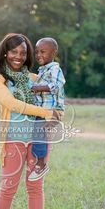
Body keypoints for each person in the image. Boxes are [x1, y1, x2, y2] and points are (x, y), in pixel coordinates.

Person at [0, 33, 55, 209]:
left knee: (35, 186)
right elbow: (12, 104)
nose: (18, 56)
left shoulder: (34, 79)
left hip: (38, 138)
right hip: (14, 139)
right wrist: (46, 113)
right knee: (8, 186)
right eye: (14, 52)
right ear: (5, 53)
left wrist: (55, 111)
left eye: (23, 53)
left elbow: (55, 95)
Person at [29, 37, 65, 180]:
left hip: (53, 111)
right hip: (44, 110)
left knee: (40, 130)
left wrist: (35, 88)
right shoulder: (42, 70)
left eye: (43, 52)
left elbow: (55, 86)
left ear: (54, 53)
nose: (38, 55)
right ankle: (35, 160)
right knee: (36, 131)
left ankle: (41, 164)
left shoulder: (55, 69)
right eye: (36, 52)